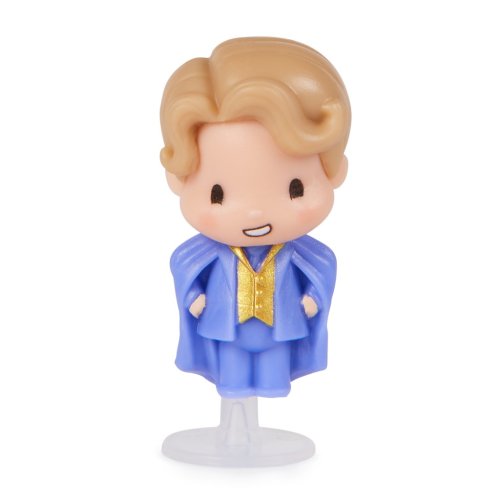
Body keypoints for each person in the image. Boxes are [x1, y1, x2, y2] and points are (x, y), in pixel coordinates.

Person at [160, 37, 351, 398]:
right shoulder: (206, 256)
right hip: (226, 331)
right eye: (218, 194)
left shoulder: (303, 257)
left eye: (295, 188)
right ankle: (233, 401)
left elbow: (317, 279)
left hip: (280, 331)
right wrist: (194, 297)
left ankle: (269, 387)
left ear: (335, 170)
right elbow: (189, 278)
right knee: (232, 382)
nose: (254, 213)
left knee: (273, 382)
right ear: (177, 180)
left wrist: (312, 298)